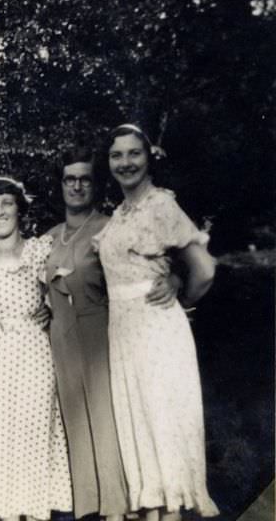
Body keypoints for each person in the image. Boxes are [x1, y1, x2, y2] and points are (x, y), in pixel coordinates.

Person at [45, 149, 179, 519]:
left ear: (96, 184)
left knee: (108, 430)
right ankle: (91, 511)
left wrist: (174, 279)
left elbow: (148, 273)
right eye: (69, 178)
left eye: (84, 178)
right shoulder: (50, 238)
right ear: (60, 186)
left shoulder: (109, 229)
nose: (76, 185)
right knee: (78, 431)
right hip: (62, 342)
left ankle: (119, 511)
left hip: (100, 339)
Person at [93, 123, 218, 520]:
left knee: (163, 426)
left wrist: (182, 296)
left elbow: (205, 268)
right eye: (117, 155)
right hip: (124, 334)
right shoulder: (121, 213)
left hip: (157, 330)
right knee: (141, 427)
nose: (125, 162)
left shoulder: (161, 205)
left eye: (134, 153)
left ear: (149, 158)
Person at [0, 176, 72, 521]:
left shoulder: (39, 250)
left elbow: (64, 292)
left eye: (7, 203)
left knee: (31, 435)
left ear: (20, 208)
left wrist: (51, 312)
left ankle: (32, 512)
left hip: (33, 354)